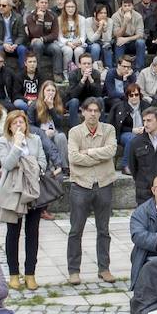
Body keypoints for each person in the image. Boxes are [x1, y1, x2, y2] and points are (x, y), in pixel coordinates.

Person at [65, 97, 117, 285]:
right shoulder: (75, 132)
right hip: (81, 185)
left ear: (100, 112)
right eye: (90, 110)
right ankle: (73, 270)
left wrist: (88, 152)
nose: (93, 114)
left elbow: (111, 151)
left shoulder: (109, 130)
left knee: (104, 230)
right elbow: (74, 158)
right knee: (75, 230)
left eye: (96, 110)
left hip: (104, 184)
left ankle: (104, 268)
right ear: (83, 111)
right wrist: (97, 156)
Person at [0, 110, 45, 291]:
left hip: (32, 190)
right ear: (9, 125)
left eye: (21, 123)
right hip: (12, 193)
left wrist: (24, 165)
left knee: (33, 233)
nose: (18, 126)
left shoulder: (35, 140)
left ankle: (30, 273)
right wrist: (16, 146)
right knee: (12, 233)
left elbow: (42, 163)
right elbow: (7, 164)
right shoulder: (2, 142)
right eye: (14, 123)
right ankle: (14, 274)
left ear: (26, 124)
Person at [27, 80, 69, 176]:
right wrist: (43, 132)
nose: (50, 93)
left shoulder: (58, 104)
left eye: (53, 91)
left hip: (55, 133)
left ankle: (64, 167)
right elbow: (30, 126)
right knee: (45, 138)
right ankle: (48, 167)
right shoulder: (34, 105)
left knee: (61, 136)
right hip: (41, 135)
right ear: (43, 92)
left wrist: (51, 108)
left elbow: (60, 123)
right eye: (48, 90)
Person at [0, 0, 28, 67]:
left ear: (10, 7)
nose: (1, 7)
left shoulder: (18, 17)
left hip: (14, 45)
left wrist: (16, 44)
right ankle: (1, 70)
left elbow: (21, 35)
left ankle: (23, 71)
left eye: (4, 6)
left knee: (23, 49)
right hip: (1, 44)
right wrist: (4, 44)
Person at [65, 52, 103, 127]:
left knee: (100, 100)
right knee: (74, 101)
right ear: (79, 65)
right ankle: (74, 129)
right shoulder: (73, 74)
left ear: (92, 64)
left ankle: (100, 127)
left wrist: (91, 80)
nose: (86, 66)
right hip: (76, 101)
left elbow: (98, 94)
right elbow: (73, 95)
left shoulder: (96, 74)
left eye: (89, 63)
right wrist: (82, 81)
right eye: (84, 63)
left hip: (90, 101)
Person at [111, 0, 146, 70]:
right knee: (119, 42)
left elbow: (140, 34)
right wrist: (125, 22)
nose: (127, 8)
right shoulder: (115, 16)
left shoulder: (138, 16)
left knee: (141, 42)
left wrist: (126, 39)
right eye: (125, 6)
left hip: (133, 40)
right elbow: (117, 35)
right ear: (121, 6)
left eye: (129, 5)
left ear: (133, 6)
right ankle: (119, 68)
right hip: (121, 40)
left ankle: (139, 69)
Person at [57, 0, 88, 78]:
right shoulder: (59, 19)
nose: (70, 9)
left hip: (78, 43)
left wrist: (79, 42)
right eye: (68, 7)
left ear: (76, 8)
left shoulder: (81, 19)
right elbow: (59, 37)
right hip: (65, 44)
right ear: (64, 8)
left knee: (79, 51)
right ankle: (66, 72)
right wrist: (68, 43)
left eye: (72, 7)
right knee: (68, 50)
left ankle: (79, 72)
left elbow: (83, 36)